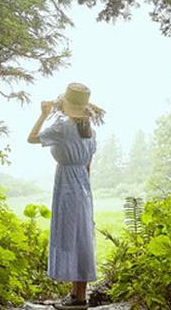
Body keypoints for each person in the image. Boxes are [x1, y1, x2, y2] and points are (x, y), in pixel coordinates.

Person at [27, 82, 104, 310]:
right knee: (81, 237)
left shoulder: (62, 127)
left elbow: (32, 138)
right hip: (82, 184)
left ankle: (78, 298)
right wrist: (85, 192)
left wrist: (43, 115)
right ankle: (78, 295)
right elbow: (88, 166)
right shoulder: (90, 131)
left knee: (71, 236)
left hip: (68, 185)